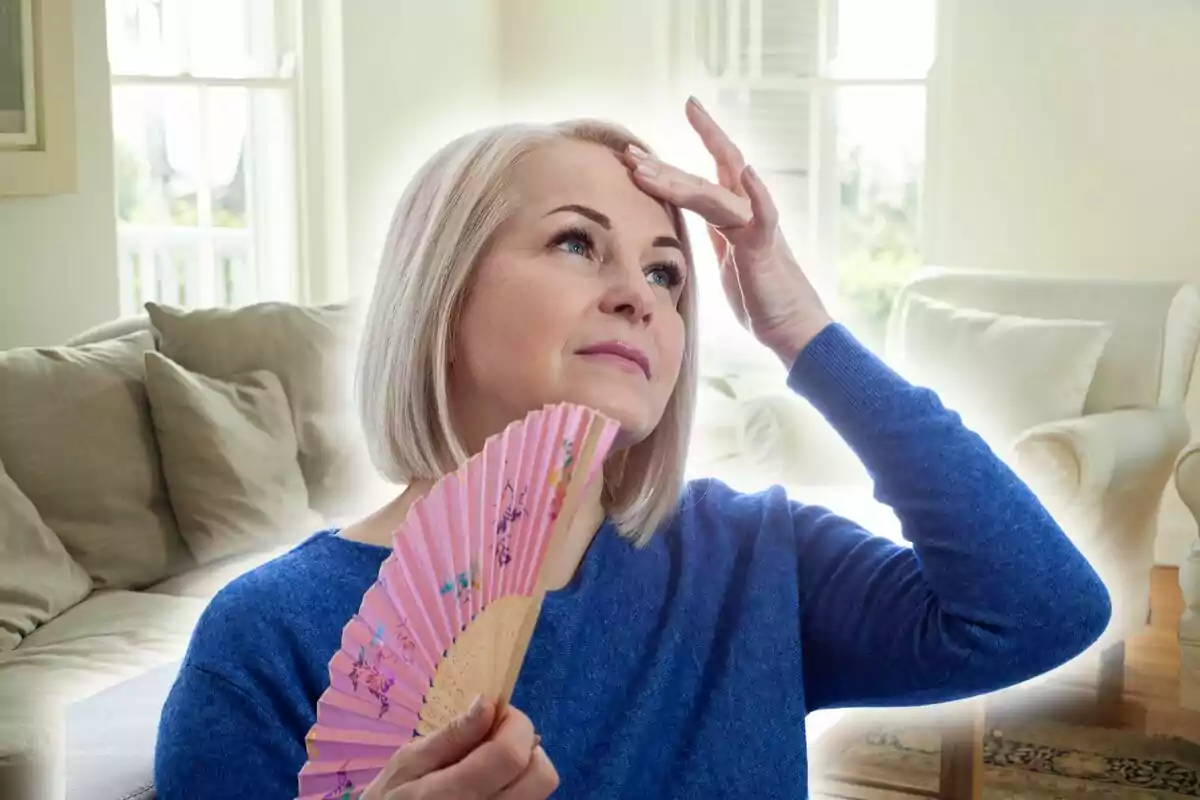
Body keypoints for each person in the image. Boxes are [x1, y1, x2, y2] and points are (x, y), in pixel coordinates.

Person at [153, 97, 1111, 799]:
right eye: (577, 244)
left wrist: (802, 330)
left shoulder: (753, 560)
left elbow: (1042, 609)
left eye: (666, 273)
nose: (640, 294)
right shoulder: (265, 640)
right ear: (441, 298)